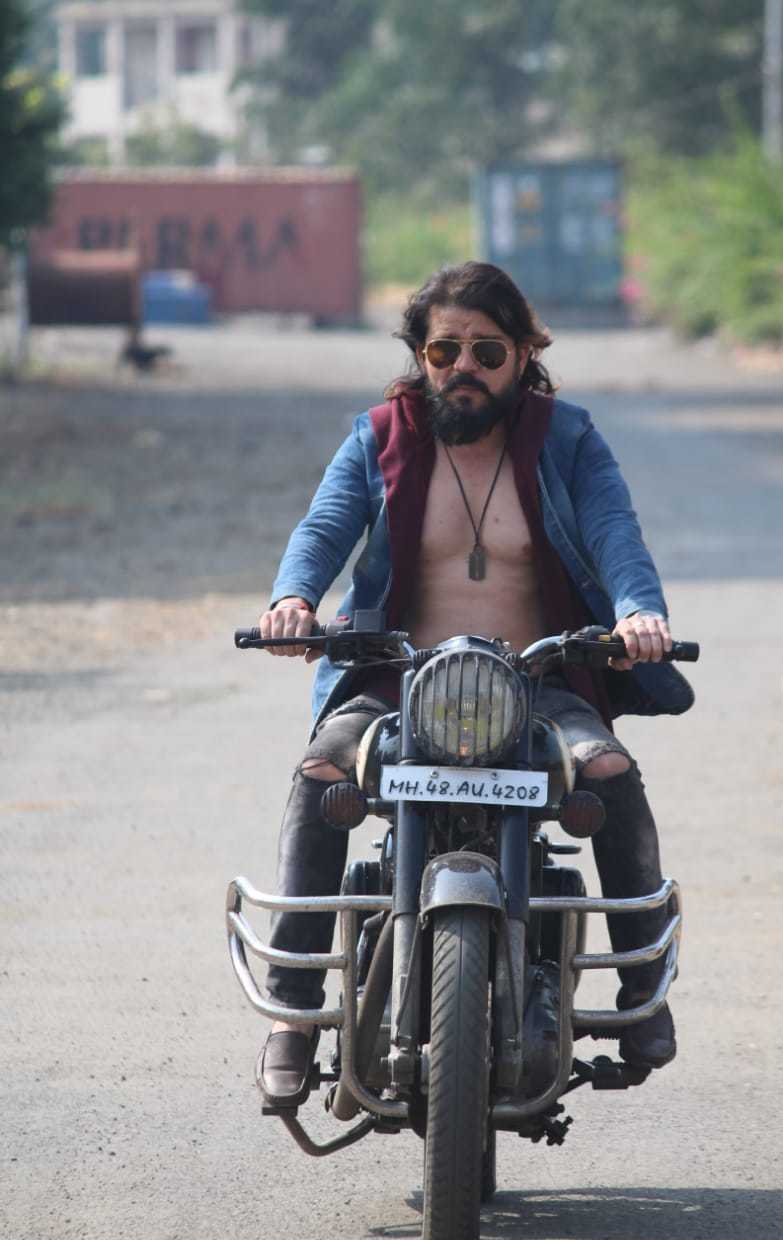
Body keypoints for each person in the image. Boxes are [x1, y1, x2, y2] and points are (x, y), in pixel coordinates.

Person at [255, 261, 694, 1107]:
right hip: (398, 679)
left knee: (607, 771)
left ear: (523, 355)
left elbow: (615, 533)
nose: (463, 367)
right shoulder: (378, 436)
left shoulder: (567, 439)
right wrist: (292, 598)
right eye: (443, 350)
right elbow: (323, 526)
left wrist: (639, 611)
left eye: (486, 351)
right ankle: (295, 1013)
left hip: (536, 680)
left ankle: (642, 990)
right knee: (321, 773)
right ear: (420, 355)